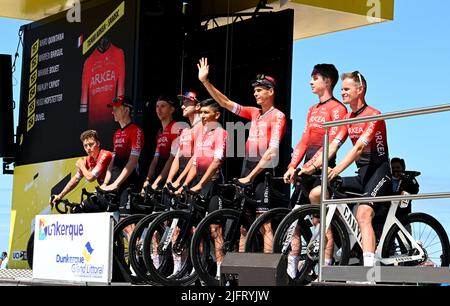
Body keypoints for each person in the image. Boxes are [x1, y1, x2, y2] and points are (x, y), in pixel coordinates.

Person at [198, 57, 286, 254]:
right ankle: (240, 270)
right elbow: (226, 102)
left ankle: (266, 273)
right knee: (244, 225)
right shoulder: (254, 113)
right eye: (254, 90)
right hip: (247, 169)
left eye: (259, 90)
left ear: (270, 91)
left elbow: (272, 152)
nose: (255, 93)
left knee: (265, 225)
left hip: (262, 173)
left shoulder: (277, 116)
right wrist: (205, 81)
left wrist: (251, 176)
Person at [282, 64, 348, 277]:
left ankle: (325, 270)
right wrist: (293, 166)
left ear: (327, 81)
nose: (311, 82)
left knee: (320, 220)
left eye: (315, 78)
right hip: (305, 169)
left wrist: (311, 167)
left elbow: (331, 146)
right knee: (293, 220)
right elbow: (303, 141)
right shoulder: (312, 109)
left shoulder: (338, 109)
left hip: (321, 169)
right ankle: (292, 271)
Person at [327, 71, 391, 268]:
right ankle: (344, 248)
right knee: (322, 192)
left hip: (380, 172)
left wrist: (337, 168)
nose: (342, 92)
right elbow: (333, 145)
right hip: (362, 175)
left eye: (346, 89)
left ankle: (369, 273)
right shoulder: (348, 117)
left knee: (363, 213)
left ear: (360, 89)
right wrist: (308, 167)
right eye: (342, 89)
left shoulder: (374, 115)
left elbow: (359, 148)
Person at [179, 98, 228, 279]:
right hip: (199, 182)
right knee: (195, 228)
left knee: (216, 229)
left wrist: (201, 184)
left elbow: (216, 162)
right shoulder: (201, 135)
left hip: (214, 183)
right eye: (202, 113)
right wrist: (183, 184)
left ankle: (220, 270)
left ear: (217, 114)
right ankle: (198, 267)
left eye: (207, 113)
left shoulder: (220, 133)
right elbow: (194, 163)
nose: (203, 116)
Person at [101, 96, 144, 214]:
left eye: (116, 108)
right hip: (114, 182)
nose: (112, 111)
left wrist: (116, 184)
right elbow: (112, 160)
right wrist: (106, 183)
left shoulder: (136, 130)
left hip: (128, 182)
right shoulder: (117, 133)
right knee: (112, 222)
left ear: (127, 110)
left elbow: (133, 161)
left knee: (127, 224)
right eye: (112, 108)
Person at [50, 129, 113, 206]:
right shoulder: (88, 159)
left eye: (91, 144)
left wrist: (82, 166)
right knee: (79, 207)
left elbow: (90, 178)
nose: (88, 148)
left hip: (115, 191)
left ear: (98, 143)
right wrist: (60, 195)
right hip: (105, 192)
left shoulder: (105, 155)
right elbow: (76, 179)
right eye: (85, 146)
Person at [142, 95, 181, 192]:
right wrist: (147, 180)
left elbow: (173, 158)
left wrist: (156, 182)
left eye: (163, 106)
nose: (159, 110)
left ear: (172, 109)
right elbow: (155, 159)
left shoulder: (176, 128)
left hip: (171, 179)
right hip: (159, 179)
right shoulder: (160, 132)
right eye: (157, 106)